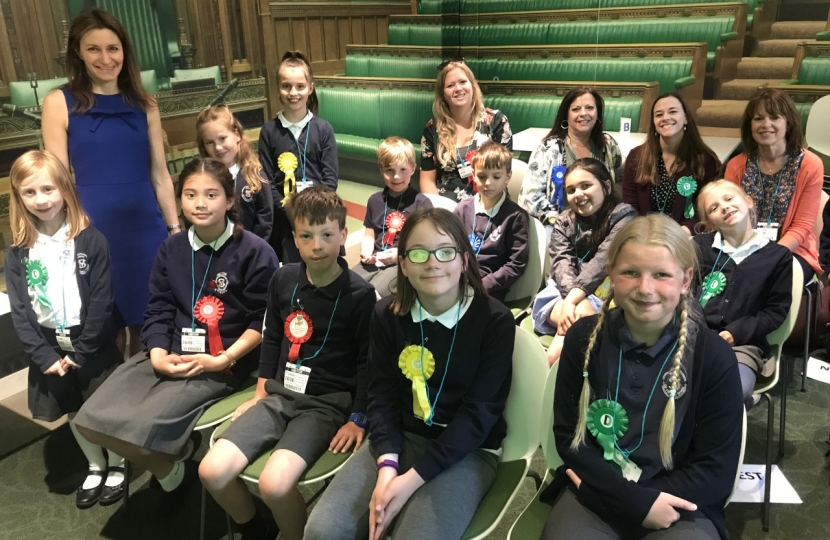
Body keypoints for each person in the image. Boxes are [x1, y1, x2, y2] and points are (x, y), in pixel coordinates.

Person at [73, 157, 278, 506]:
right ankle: (174, 470)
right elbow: (160, 308)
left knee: (139, 431)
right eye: (190, 194)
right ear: (179, 200)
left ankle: (171, 465)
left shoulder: (255, 252)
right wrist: (157, 353)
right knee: (89, 420)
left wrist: (222, 358)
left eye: (212, 195)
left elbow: (264, 320)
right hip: (169, 350)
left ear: (230, 201)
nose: (200, 204)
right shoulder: (171, 247)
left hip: (224, 362)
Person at [304, 207, 514, 540]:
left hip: (467, 450)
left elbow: (479, 415)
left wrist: (412, 478)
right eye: (418, 253)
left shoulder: (494, 320)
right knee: (322, 530)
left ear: (463, 260)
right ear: (402, 263)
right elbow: (382, 394)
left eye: (445, 253)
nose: (432, 263)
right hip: (401, 436)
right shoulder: (386, 313)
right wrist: (388, 467)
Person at [539, 214, 743, 540]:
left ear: (686, 279)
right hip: (599, 487)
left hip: (676, 500)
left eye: (661, 275)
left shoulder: (713, 357)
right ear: (611, 276)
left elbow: (716, 471)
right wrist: (631, 501)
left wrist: (646, 501)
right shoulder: (582, 338)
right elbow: (568, 436)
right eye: (630, 272)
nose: (645, 288)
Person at [198, 186, 376, 540]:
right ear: (294, 238)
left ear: (343, 234)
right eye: (306, 236)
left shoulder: (361, 295)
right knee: (211, 470)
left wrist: (358, 417)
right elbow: (274, 339)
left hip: (325, 406)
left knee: (275, 484)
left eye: (327, 235)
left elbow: (368, 362)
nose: (317, 245)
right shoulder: (283, 279)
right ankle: (256, 528)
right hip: (279, 396)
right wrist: (260, 393)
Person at [41, 8, 179, 357]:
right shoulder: (59, 103)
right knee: (106, 327)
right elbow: (58, 180)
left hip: (146, 228)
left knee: (151, 320)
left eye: (113, 48)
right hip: (93, 230)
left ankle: (149, 399)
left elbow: (160, 173)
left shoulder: (144, 102)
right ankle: (115, 403)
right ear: (78, 53)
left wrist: (175, 229)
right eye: (94, 49)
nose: (105, 58)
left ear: (124, 51)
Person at [5, 150, 123, 509]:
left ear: (65, 190)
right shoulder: (18, 251)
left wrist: (82, 350)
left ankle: (117, 463)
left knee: (102, 405)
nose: (40, 200)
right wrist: (44, 356)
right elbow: (21, 310)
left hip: (90, 343)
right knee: (72, 407)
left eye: (47, 189)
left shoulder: (90, 240)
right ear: (18, 197)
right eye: (29, 192)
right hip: (48, 347)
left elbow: (102, 301)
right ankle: (94, 464)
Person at [694, 180, 792, 409]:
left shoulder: (778, 257)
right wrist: (698, 331)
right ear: (709, 222)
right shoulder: (698, 247)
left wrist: (735, 333)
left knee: (730, 392)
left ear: (748, 201)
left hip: (743, 345)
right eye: (714, 208)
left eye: (729, 199)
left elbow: (775, 311)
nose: (724, 207)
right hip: (695, 337)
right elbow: (685, 294)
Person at [532, 158, 637, 365]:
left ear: (606, 186)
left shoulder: (625, 216)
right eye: (571, 190)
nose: (578, 194)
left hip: (610, 295)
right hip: (563, 293)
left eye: (586, 186)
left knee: (563, 343)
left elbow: (603, 261)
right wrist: (574, 299)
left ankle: (549, 375)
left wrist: (572, 302)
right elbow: (562, 264)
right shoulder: (564, 221)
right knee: (579, 320)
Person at [724, 88, 824, 284]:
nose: (766, 124)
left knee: (769, 280)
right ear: (750, 125)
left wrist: (768, 256)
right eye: (758, 118)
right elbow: (730, 220)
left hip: (793, 249)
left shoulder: (810, 165)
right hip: (742, 247)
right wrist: (747, 252)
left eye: (775, 117)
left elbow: (802, 227)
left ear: (788, 123)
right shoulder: (736, 165)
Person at [258, 50, 338, 263]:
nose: (293, 92)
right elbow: (267, 181)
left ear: (310, 88)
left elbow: (330, 179)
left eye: (300, 86)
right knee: (293, 274)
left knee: (322, 268)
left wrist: (313, 210)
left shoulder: (323, 129)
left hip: (319, 216)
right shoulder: (268, 131)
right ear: (279, 89)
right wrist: (290, 212)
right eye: (286, 86)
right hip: (286, 220)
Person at [520, 87, 624, 229]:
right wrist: (563, 223)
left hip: (604, 226)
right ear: (566, 115)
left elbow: (620, 182)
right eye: (576, 109)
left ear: (598, 113)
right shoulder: (548, 148)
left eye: (589, 108)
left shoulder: (608, 145)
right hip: (560, 229)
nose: (583, 114)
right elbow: (529, 199)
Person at [622, 92, 721, 234]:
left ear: (686, 118)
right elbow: (630, 206)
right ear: (653, 122)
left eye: (673, 111)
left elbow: (706, 208)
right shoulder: (636, 156)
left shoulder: (705, 161)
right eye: (659, 114)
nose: (665, 118)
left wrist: (682, 232)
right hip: (644, 234)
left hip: (685, 236)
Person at [420, 59, 512, 203]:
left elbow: (503, 174)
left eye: (463, 82)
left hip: (488, 204)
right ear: (443, 94)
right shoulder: (432, 128)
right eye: (450, 85)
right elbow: (427, 181)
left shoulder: (497, 121)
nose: (458, 88)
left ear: (473, 86)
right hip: (446, 210)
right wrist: (440, 212)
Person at [355, 136, 433, 298]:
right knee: (348, 285)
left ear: (413, 168)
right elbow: (370, 234)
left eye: (402, 170)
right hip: (375, 258)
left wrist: (399, 254)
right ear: (381, 169)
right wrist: (366, 252)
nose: (396, 177)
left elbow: (425, 245)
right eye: (390, 170)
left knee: (371, 294)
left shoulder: (422, 204)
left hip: (403, 261)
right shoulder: (374, 200)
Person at [453, 141, 530, 302]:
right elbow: (449, 246)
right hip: (455, 282)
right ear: (473, 175)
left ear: (508, 177)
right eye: (482, 176)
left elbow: (516, 264)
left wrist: (483, 285)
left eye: (496, 176)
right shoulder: (462, 209)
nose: (488, 183)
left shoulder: (516, 216)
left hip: (489, 290)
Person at [196, 105, 273, 239]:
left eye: (222, 138)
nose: (218, 147)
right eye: (209, 142)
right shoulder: (201, 179)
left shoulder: (254, 175)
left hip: (251, 251)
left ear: (237, 135)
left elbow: (265, 219)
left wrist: (253, 250)